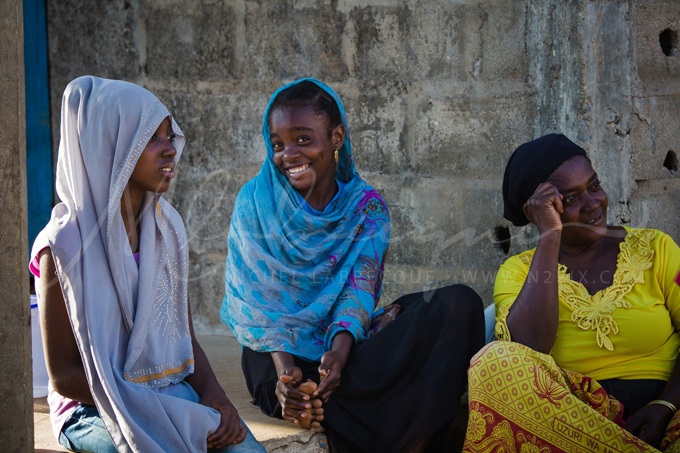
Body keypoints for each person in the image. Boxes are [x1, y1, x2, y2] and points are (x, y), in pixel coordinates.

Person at [220, 78, 485, 452]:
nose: (288, 155)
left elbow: (358, 289)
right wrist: (287, 377)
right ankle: (306, 401)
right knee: (283, 378)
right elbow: (259, 305)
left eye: (302, 139)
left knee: (458, 305)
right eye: (277, 144)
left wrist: (338, 356)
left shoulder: (367, 207)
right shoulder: (255, 201)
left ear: (337, 137)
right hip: (275, 352)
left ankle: (325, 398)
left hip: (342, 347)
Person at [29, 76, 265, 453]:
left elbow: (184, 339)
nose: (170, 149)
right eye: (151, 138)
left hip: (165, 391)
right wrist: (154, 409)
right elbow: (63, 377)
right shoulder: (62, 247)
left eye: (169, 136)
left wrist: (216, 398)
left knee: (243, 449)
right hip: (91, 407)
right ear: (110, 146)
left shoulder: (166, 229)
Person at [462, 133, 680, 452]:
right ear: (538, 211)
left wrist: (667, 404)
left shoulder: (655, 248)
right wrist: (551, 234)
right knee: (493, 361)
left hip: (668, 411)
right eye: (571, 199)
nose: (594, 205)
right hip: (570, 420)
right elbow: (528, 348)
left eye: (594, 186)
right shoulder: (518, 272)